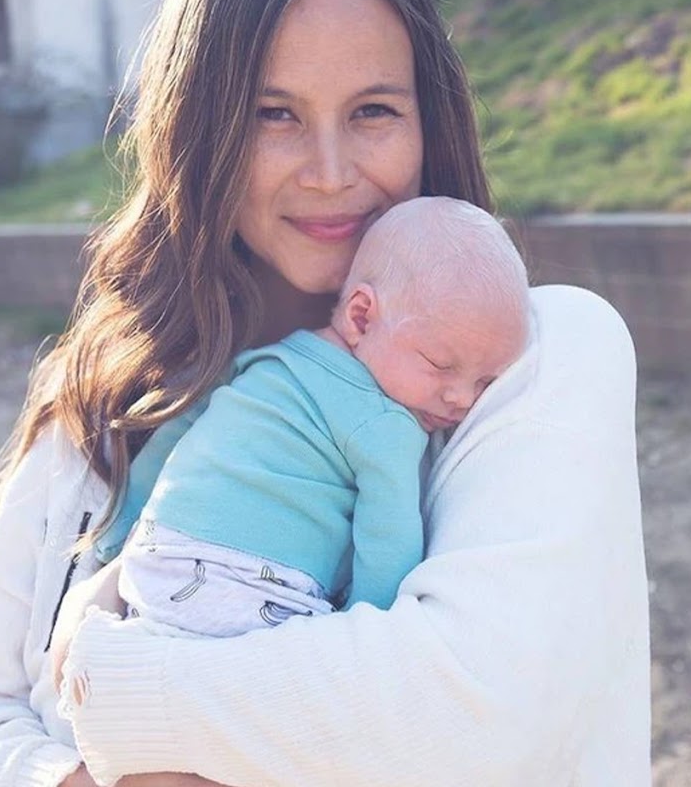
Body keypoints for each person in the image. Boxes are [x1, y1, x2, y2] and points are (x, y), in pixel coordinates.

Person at [0, 0, 651, 785]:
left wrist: (112, 687)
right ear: (197, 134)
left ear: (429, 123)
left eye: (373, 112)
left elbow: (466, 716)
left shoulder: (542, 361)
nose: (329, 170)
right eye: (272, 113)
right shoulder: (106, 397)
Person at [110, 196, 529, 637]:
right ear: (362, 317)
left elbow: (176, 427)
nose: (462, 399)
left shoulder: (265, 361)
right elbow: (389, 542)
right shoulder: (387, 424)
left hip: (155, 563)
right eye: (441, 365)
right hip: (256, 593)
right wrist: (366, 631)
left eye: (485, 382)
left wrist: (123, 522)